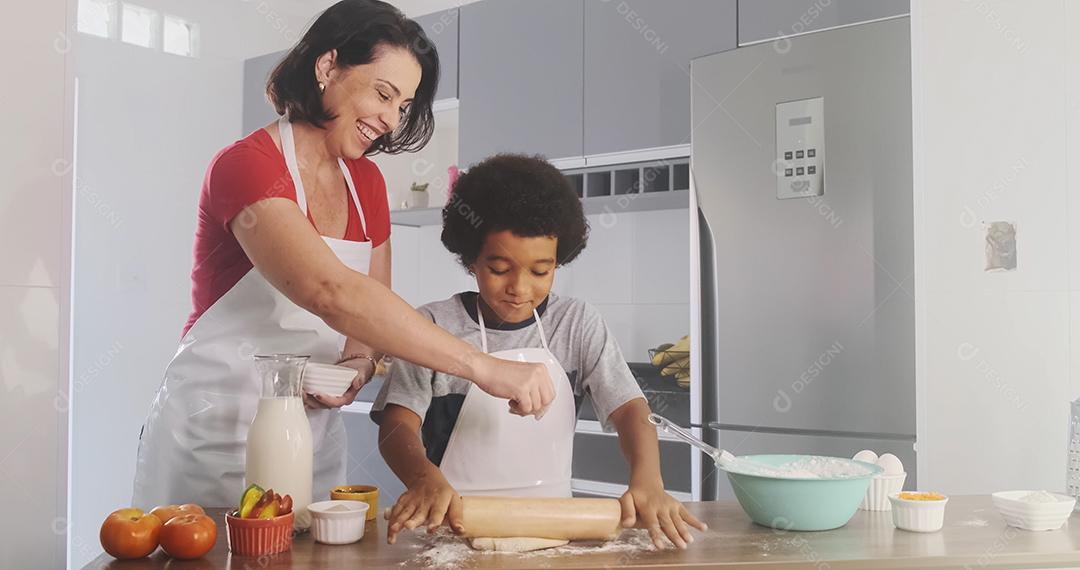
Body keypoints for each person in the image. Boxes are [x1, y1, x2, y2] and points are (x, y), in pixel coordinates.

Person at [132, 1, 554, 510]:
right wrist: (482, 367)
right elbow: (330, 292)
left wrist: (357, 363)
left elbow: (369, 306)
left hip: (310, 430)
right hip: (215, 431)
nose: (392, 119)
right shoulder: (246, 166)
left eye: (403, 104)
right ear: (327, 67)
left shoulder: (367, 183)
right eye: (383, 93)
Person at [371, 154, 707, 549]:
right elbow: (396, 425)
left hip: (551, 533)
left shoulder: (576, 323)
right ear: (470, 259)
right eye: (499, 269)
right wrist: (422, 477)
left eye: (540, 271)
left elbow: (632, 410)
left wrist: (648, 480)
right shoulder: (430, 327)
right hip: (448, 535)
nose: (520, 288)